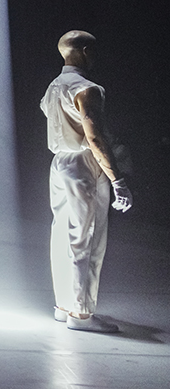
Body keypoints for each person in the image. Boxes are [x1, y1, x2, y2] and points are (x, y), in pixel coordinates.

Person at [41, 30, 132, 333]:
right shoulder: (87, 88)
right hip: (82, 163)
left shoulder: (53, 87)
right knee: (86, 238)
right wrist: (117, 179)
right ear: (80, 50)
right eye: (91, 50)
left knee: (61, 236)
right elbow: (94, 137)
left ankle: (64, 304)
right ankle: (80, 314)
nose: (95, 55)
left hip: (60, 163)